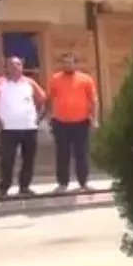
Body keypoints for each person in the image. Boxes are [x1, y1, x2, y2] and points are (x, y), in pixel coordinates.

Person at [0, 56, 46, 197]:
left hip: (29, 128)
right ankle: (4, 187)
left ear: (22, 67)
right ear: (7, 67)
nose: (16, 67)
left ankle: (24, 187)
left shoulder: (30, 83)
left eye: (18, 64)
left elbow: (42, 99)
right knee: (7, 159)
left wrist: (39, 117)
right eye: (12, 65)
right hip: (8, 129)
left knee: (28, 158)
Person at [47, 52, 98, 193]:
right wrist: (49, 117)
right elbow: (49, 99)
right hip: (60, 123)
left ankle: (83, 182)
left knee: (81, 153)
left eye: (70, 62)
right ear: (62, 64)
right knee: (62, 153)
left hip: (81, 122)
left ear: (75, 64)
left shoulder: (86, 79)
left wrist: (95, 119)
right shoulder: (55, 79)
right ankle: (63, 183)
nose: (68, 65)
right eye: (65, 63)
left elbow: (94, 100)